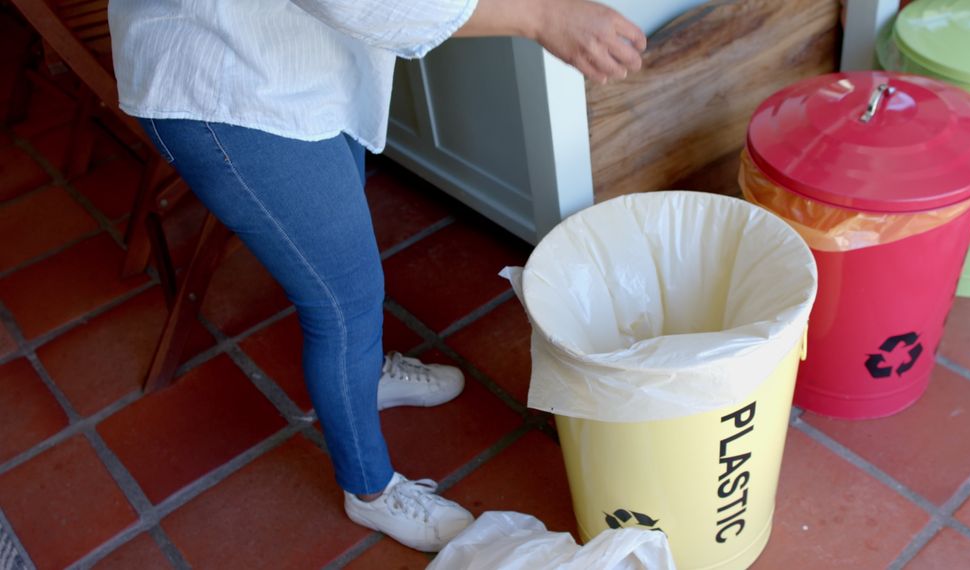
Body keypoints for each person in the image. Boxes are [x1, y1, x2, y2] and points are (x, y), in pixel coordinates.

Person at [108, 0, 646, 553]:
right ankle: (368, 489)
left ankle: (364, 378)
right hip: (226, 81)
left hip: (295, 50)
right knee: (343, 302)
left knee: (347, 258)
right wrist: (543, 17)